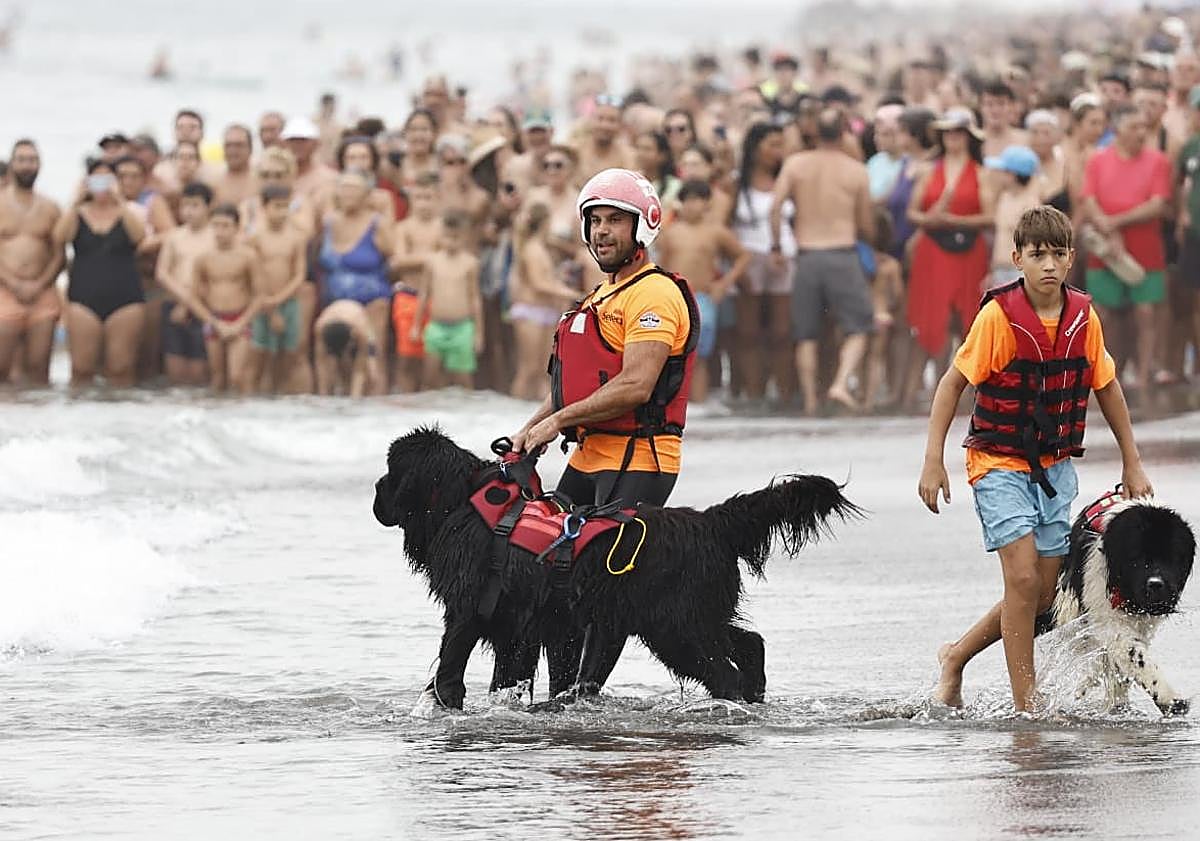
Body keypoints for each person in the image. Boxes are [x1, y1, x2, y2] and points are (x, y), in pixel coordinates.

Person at [918, 206, 1152, 714]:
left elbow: (1106, 388)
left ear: (1071, 260)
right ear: (1017, 258)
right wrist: (932, 460)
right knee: (1022, 581)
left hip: (1054, 470)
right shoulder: (998, 318)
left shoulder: (1083, 318)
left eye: (1058, 254)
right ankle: (1028, 705)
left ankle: (955, 658)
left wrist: (1132, 461)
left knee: (1041, 595)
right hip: (997, 463)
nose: (1048, 263)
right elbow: (952, 384)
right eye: (1037, 254)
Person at [509, 167, 695, 512]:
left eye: (614, 220)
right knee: (550, 556)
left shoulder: (654, 293)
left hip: (640, 458)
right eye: (594, 221)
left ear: (642, 226)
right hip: (589, 456)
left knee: (607, 565)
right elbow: (578, 387)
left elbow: (636, 385)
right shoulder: (600, 294)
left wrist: (558, 422)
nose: (601, 232)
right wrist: (531, 427)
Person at [769, 108, 876, 415]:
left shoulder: (796, 164)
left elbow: (775, 208)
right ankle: (841, 383)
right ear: (844, 133)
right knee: (859, 327)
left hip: (807, 256)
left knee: (806, 333)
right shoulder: (855, 170)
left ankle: (811, 403)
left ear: (815, 132)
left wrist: (777, 246)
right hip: (842, 252)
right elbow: (865, 223)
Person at [903, 108, 994, 410]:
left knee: (967, 319)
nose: (953, 138)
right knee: (934, 317)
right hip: (934, 251)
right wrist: (934, 218)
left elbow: (990, 215)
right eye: (948, 132)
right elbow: (913, 213)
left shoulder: (982, 172)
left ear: (968, 136)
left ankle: (967, 390)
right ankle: (938, 390)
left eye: (958, 132)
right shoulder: (929, 171)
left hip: (969, 250)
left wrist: (954, 219)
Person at [1080, 102, 1171, 397]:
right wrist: (1107, 226)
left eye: (1144, 127)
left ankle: (1144, 377)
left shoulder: (1157, 161)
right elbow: (1089, 198)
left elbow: (1157, 204)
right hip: (1104, 249)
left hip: (1145, 248)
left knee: (1145, 313)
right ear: (1117, 129)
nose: (1141, 132)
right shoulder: (1098, 160)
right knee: (1103, 315)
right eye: (1134, 127)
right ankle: (1105, 377)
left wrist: (1115, 221)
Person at [54, 159, 147, 387]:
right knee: (81, 369)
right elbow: (59, 237)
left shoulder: (128, 211)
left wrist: (120, 200)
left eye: (107, 180)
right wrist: (75, 200)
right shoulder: (77, 213)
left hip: (125, 298)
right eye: (96, 180)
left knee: (120, 369)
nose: (102, 186)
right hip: (84, 298)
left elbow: (138, 237)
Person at [656, 180, 750, 402]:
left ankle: (698, 405)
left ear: (707, 203)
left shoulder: (715, 232)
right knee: (671, 354)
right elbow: (662, 266)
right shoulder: (671, 233)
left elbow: (743, 256)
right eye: (687, 200)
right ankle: (675, 406)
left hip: (703, 298)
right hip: (674, 299)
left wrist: (724, 283)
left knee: (698, 355)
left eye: (697, 200)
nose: (692, 205)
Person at [732, 123, 795, 404]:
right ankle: (753, 393)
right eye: (771, 145)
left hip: (784, 260)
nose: (777, 152)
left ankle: (783, 393)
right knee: (748, 332)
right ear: (755, 148)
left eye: (781, 145)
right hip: (750, 258)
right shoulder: (737, 184)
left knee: (782, 332)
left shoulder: (788, 179)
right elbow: (725, 227)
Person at [0, 139, 64, 386]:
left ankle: (39, 421)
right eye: (22, 160)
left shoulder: (51, 207)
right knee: (2, 368)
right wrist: (13, 282)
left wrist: (40, 283)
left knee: (39, 369)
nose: (27, 165)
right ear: (12, 164)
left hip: (42, 293)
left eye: (32, 160)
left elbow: (59, 253)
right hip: (5, 291)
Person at [319, 169, 394, 358]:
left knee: (373, 354)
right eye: (344, 188)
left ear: (367, 194)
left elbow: (394, 260)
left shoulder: (378, 224)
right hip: (335, 302)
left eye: (353, 188)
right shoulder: (328, 222)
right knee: (332, 355)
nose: (348, 193)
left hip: (372, 301)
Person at [509, 202, 579, 400]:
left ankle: (535, 414)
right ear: (545, 222)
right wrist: (571, 294)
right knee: (528, 368)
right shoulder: (532, 249)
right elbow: (538, 284)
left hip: (546, 312)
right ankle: (509, 415)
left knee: (543, 370)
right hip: (530, 311)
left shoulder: (541, 247)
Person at [190, 203, 257, 394]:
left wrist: (242, 322)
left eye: (225, 226)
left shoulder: (248, 256)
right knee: (217, 377)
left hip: (240, 318)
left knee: (237, 376)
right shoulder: (203, 258)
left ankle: (240, 417)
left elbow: (259, 295)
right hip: (214, 318)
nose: (220, 231)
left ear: (236, 227)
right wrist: (213, 322)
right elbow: (193, 297)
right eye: (216, 225)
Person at [412, 209, 482, 389]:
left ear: (464, 237)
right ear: (441, 236)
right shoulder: (432, 262)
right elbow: (424, 295)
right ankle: (432, 414)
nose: (451, 242)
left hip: (462, 327)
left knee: (464, 378)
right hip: (436, 326)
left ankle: (468, 414)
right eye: (447, 237)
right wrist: (416, 325)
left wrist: (478, 333)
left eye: (456, 237)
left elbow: (475, 298)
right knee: (430, 376)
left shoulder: (470, 263)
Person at [247, 184, 307, 393]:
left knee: (289, 354)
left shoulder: (296, 238)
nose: (282, 212)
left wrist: (279, 300)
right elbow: (255, 276)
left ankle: (279, 397)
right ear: (264, 208)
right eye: (277, 206)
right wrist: (270, 307)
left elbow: (299, 274)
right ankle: (254, 399)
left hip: (289, 302)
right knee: (259, 356)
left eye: (285, 206)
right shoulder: (255, 238)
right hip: (262, 304)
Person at [155, 182, 215, 385]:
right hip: (174, 304)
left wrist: (189, 305)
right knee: (175, 368)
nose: (189, 211)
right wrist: (182, 301)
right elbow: (162, 273)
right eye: (185, 205)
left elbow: (214, 275)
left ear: (208, 207)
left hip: (205, 306)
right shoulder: (174, 237)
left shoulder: (215, 237)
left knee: (200, 370)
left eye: (195, 205)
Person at [388, 171, 441, 392]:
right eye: (419, 197)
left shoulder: (443, 227)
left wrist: (418, 259)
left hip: (438, 299)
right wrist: (430, 257)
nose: (423, 203)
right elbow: (399, 261)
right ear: (411, 199)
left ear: (437, 198)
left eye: (428, 197)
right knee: (406, 358)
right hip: (408, 296)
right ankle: (406, 404)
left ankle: (430, 406)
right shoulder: (403, 228)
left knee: (433, 361)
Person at [986, 146, 1042, 288]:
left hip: (1020, 271)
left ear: (1013, 175)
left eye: (1004, 171)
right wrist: (991, 271)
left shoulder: (1031, 204)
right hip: (1000, 268)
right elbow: (1000, 237)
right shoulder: (1004, 198)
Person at [314, 299, 384, 397]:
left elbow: (359, 369)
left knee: (373, 374)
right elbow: (321, 365)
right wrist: (323, 395)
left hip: (358, 318)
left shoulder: (360, 331)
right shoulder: (320, 328)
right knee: (333, 372)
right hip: (335, 318)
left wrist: (355, 397)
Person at [575, 95, 633, 180]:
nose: (605, 125)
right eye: (600, 119)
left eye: (612, 120)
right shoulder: (575, 151)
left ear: (621, 124)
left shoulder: (629, 156)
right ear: (590, 120)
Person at [282, 117, 336, 202]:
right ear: (284, 143)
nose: (297, 144)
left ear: (316, 143)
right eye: (293, 140)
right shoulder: (274, 176)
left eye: (303, 140)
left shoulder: (329, 178)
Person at [980, 80, 1029, 158]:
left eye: (1001, 104)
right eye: (989, 104)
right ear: (981, 108)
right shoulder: (972, 142)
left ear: (1012, 107)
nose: (995, 110)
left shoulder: (1027, 140)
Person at [212, 124, 258, 206]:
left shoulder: (261, 180)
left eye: (239, 145)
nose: (233, 150)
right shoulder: (213, 183)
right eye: (228, 145)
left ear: (250, 148)